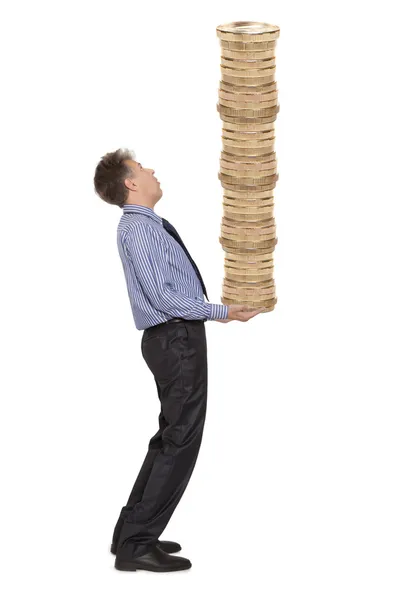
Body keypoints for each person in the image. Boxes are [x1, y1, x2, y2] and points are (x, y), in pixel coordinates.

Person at [93, 147, 264, 572]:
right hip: (176, 338)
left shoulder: (142, 226)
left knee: (169, 435)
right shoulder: (139, 230)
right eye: (142, 168)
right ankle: (137, 544)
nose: (151, 169)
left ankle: (130, 534)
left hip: (173, 338)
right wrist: (222, 312)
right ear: (131, 183)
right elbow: (164, 297)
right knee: (180, 439)